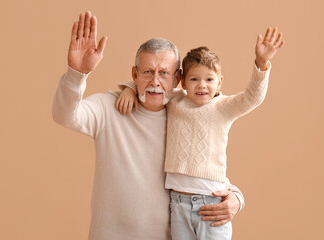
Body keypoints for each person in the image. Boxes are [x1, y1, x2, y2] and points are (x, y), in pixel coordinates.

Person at [52, 11, 245, 240]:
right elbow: (65, 115)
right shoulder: (108, 107)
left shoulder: (185, 115)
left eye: (164, 73)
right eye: (147, 72)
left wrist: (236, 197)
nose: (155, 81)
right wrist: (77, 73)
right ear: (134, 74)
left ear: (176, 80)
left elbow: (201, 169)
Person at [117, 29, 284, 239]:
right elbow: (154, 84)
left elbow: (253, 98)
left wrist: (261, 64)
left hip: (211, 203)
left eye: (209, 79)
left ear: (219, 82)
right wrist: (129, 89)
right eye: (194, 79)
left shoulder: (223, 107)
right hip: (177, 204)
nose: (202, 85)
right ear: (183, 81)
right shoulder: (175, 100)